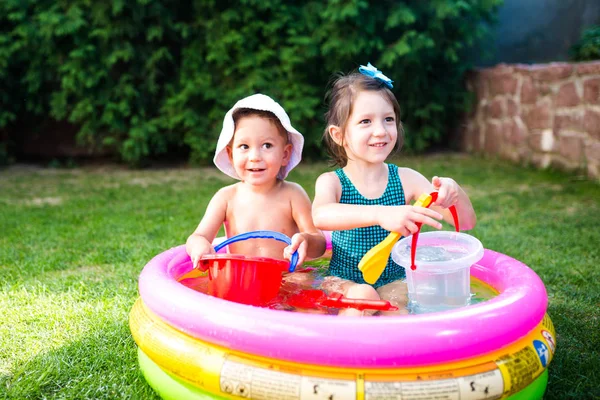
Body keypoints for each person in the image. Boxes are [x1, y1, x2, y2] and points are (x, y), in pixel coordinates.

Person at [312, 63, 477, 316]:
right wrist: (381, 214)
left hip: (395, 281)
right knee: (362, 297)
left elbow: (465, 222)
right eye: (365, 121)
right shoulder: (332, 182)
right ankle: (343, 353)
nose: (380, 130)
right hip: (342, 281)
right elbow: (321, 215)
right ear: (339, 135)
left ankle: (397, 352)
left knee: (397, 305)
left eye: (388, 119)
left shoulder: (406, 179)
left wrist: (453, 193)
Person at [186, 93, 326, 269]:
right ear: (230, 155)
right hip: (242, 281)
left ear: (285, 154)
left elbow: (320, 244)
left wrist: (306, 240)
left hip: (288, 279)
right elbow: (198, 236)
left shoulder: (293, 195)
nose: (255, 157)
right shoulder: (226, 198)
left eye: (267, 145)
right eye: (244, 146)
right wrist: (199, 246)